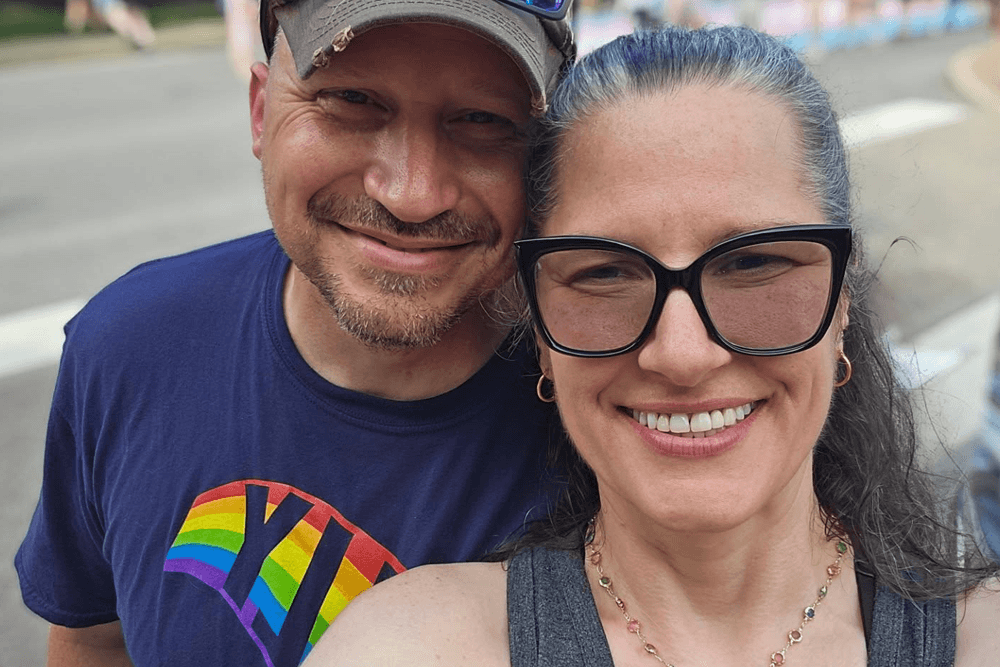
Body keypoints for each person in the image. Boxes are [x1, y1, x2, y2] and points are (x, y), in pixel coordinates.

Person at [305, 25, 1000, 667]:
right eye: (606, 272)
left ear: (842, 299)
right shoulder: (412, 645)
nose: (683, 352)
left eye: (753, 262)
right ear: (540, 333)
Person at [14, 1, 576, 666]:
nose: (411, 193)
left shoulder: (614, 417)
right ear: (260, 111)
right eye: (352, 99)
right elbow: (94, 638)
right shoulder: (127, 347)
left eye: (483, 119)